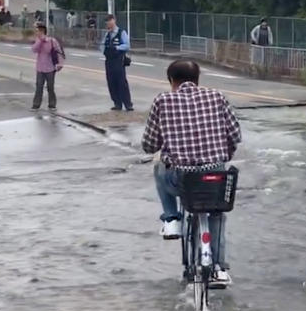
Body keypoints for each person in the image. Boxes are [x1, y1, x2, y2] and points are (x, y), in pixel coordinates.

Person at [142, 60, 242, 287]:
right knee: (216, 213)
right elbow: (235, 136)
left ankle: (171, 219)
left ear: (171, 82)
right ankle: (218, 268)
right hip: (215, 178)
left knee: (158, 165)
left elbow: (149, 144)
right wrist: (223, 154)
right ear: (197, 80)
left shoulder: (162, 100)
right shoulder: (217, 97)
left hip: (181, 180)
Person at [100, 14, 133, 111]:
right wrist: (105, 50)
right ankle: (117, 103)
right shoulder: (107, 34)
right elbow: (102, 45)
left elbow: (127, 45)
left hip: (119, 60)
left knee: (121, 82)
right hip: (109, 61)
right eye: (107, 22)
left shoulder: (121, 32)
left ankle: (128, 104)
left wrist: (116, 48)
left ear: (114, 20)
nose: (108, 24)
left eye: (110, 21)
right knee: (111, 82)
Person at [30, 23, 64, 111]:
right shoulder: (38, 41)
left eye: (38, 31)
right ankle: (36, 105)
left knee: (50, 87)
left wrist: (60, 64)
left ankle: (52, 104)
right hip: (40, 68)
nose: (36, 33)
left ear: (42, 31)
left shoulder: (52, 41)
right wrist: (40, 41)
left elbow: (59, 52)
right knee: (39, 87)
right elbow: (34, 50)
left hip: (50, 68)